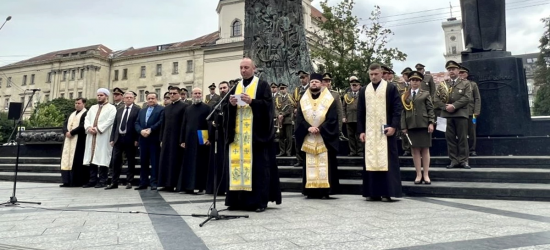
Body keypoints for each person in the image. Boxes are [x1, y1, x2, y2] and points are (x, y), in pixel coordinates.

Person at [225, 58, 282, 212]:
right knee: (237, 167)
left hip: (255, 136)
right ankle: (237, 201)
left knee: (258, 169)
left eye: (246, 67)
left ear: (253, 68)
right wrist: (230, 105)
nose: (243, 70)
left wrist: (252, 102)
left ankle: (259, 202)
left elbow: (268, 108)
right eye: (241, 68)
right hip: (238, 136)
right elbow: (226, 109)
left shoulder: (262, 85)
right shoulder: (235, 86)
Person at [357, 63, 403, 202]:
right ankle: (373, 192)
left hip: (386, 131)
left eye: (376, 74)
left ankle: (388, 191)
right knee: (371, 159)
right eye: (371, 74)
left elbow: (397, 108)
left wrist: (394, 126)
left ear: (381, 73)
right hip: (370, 133)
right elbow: (360, 112)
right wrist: (361, 131)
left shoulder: (390, 88)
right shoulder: (364, 90)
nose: (373, 77)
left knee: (387, 159)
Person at [295, 73, 339, 199]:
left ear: (321, 84)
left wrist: (320, 128)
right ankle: (311, 191)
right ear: (309, 83)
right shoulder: (303, 100)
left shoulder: (329, 99)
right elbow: (299, 118)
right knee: (310, 164)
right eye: (312, 82)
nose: (314, 83)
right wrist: (308, 127)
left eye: (316, 82)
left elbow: (332, 119)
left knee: (326, 165)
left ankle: (325, 191)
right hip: (308, 136)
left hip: (324, 137)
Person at [434, 61, 472, 169]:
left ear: (458, 70)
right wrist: (444, 106)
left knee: (462, 138)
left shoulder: (465, 83)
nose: (451, 71)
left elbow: (467, 97)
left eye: (453, 69)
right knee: (449, 138)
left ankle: (463, 160)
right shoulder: (443, 84)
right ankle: (454, 160)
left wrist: (454, 106)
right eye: (449, 70)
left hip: (460, 114)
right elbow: (436, 99)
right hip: (446, 114)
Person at [400, 71, 435, 185]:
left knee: (425, 149)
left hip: (423, 124)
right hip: (411, 125)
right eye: (412, 80)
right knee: (415, 150)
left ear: (420, 82)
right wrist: (403, 126)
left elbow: (430, 109)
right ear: (409, 81)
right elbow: (403, 112)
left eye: (417, 80)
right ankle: (418, 174)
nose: (414, 82)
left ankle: (426, 174)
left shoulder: (425, 94)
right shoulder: (405, 95)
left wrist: (431, 123)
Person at [177, 88, 211, 194]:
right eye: (195, 93)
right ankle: (188, 187)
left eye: (199, 93)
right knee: (188, 162)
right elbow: (183, 124)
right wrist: (182, 139)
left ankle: (201, 187)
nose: (197, 95)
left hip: (202, 136)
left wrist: (209, 138)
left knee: (201, 162)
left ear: (202, 95)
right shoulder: (188, 109)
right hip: (189, 137)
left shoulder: (207, 108)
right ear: (192, 95)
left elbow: (209, 124)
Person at [82, 88, 117, 188]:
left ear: (106, 96)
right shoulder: (92, 108)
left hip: (103, 136)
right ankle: (92, 179)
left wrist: (98, 129)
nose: (99, 97)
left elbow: (110, 120)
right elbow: (87, 119)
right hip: (91, 136)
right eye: (98, 95)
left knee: (102, 157)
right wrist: (89, 128)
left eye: (101, 95)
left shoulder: (111, 108)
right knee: (91, 157)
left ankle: (103, 180)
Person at [106, 92, 141, 190]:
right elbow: (115, 125)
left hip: (130, 138)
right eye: (127, 97)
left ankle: (129, 181)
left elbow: (138, 124)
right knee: (116, 160)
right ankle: (114, 182)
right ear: (123, 99)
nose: (128, 99)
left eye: (131, 97)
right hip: (119, 138)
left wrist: (136, 139)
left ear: (134, 99)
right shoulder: (119, 109)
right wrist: (112, 138)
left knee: (131, 160)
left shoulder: (137, 110)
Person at [158, 86, 188, 191]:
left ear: (179, 94)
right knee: (166, 161)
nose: (172, 95)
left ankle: (176, 184)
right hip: (166, 139)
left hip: (177, 139)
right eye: (170, 93)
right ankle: (167, 184)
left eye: (174, 93)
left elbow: (184, 124)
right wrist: (161, 139)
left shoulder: (184, 107)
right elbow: (163, 124)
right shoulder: (166, 108)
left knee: (175, 161)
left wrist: (182, 139)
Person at [135, 92, 164, 190]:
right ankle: (143, 182)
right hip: (143, 138)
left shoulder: (161, 109)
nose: (151, 100)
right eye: (149, 98)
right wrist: (141, 131)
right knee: (143, 161)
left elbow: (161, 122)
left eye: (153, 98)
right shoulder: (142, 110)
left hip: (154, 139)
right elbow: (137, 122)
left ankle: (154, 182)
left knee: (154, 161)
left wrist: (151, 129)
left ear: (156, 99)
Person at [206, 81, 230, 195]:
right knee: (218, 162)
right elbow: (209, 121)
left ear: (229, 89)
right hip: (218, 137)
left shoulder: (232, 102)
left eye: (224, 88)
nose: (222, 90)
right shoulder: (215, 104)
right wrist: (213, 125)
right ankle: (216, 187)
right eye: (220, 88)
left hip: (229, 137)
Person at [60, 98, 89, 187]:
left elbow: (83, 126)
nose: (77, 105)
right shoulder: (71, 114)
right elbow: (65, 124)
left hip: (79, 141)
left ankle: (76, 181)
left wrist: (72, 132)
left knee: (77, 160)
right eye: (76, 103)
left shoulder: (86, 113)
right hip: (68, 140)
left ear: (83, 104)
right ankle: (67, 181)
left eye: (79, 103)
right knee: (66, 159)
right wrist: (66, 132)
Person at [459, 66, 481, 156]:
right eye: (460, 73)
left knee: (472, 131)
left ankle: (472, 149)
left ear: (467, 74)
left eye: (463, 73)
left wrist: (476, 111)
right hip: (460, 112)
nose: (461, 75)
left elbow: (477, 98)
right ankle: (463, 150)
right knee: (461, 132)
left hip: (472, 113)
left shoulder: (473, 84)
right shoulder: (455, 85)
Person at [321, 73, 346, 141]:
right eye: (326, 81)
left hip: (332, 125)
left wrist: (339, 128)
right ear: (321, 83)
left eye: (329, 81)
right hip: (320, 125)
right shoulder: (318, 94)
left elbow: (339, 111)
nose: (328, 83)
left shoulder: (335, 94)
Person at [292, 70, 310, 167]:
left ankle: (307, 158)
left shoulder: (311, 89)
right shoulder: (297, 90)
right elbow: (293, 101)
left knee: (307, 138)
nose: (302, 79)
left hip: (308, 117)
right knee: (298, 138)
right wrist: (294, 109)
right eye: (301, 78)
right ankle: (299, 159)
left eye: (303, 77)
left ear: (308, 77)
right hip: (298, 118)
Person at [343, 76, 363, 156]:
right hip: (349, 118)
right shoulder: (347, 96)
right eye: (352, 85)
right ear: (350, 86)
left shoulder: (362, 95)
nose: (354, 87)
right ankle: (352, 151)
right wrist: (344, 117)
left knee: (359, 135)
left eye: (356, 85)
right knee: (350, 136)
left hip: (359, 118)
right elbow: (343, 107)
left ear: (359, 86)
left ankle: (360, 151)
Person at [275, 83, 294, 157]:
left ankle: (288, 152)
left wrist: (282, 114)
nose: (282, 90)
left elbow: (291, 108)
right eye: (281, 88)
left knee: (289, 137)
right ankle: (282, 151)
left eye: (283, 88)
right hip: (280, 121)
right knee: (281, 136)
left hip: (287, 119)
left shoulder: (290, 97)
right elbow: (275, 108)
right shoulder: (277, 98)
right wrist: (278, 115)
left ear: (286, 89)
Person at [399, 67, 413, 156]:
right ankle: (406, 149)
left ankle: (414, 148)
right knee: (404, 130)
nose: (407, 76)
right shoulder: (399, 86)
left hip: (413, 110)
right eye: (405, 75)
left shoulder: (416, 84)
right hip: (402, 110)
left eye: (408, 75)